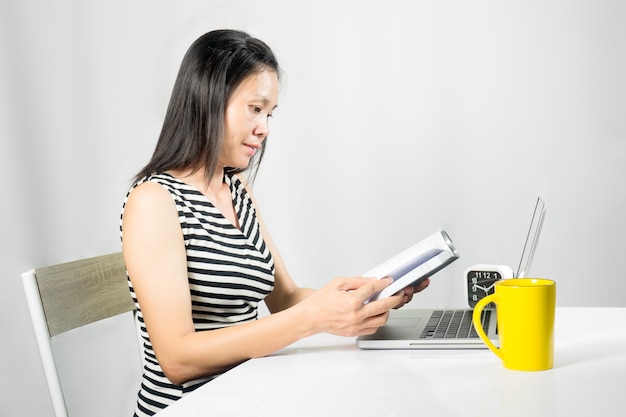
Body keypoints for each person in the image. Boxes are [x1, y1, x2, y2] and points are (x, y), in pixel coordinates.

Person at [120, 29, 429, 417]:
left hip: (249, 395)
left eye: (270, 113)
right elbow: (177, 359)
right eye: (255, 108)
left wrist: (365, 297)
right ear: (208, 99)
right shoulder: (154, 201)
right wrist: (311, 319)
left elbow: (284, 300)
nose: (265, 128)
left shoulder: (237, 190)